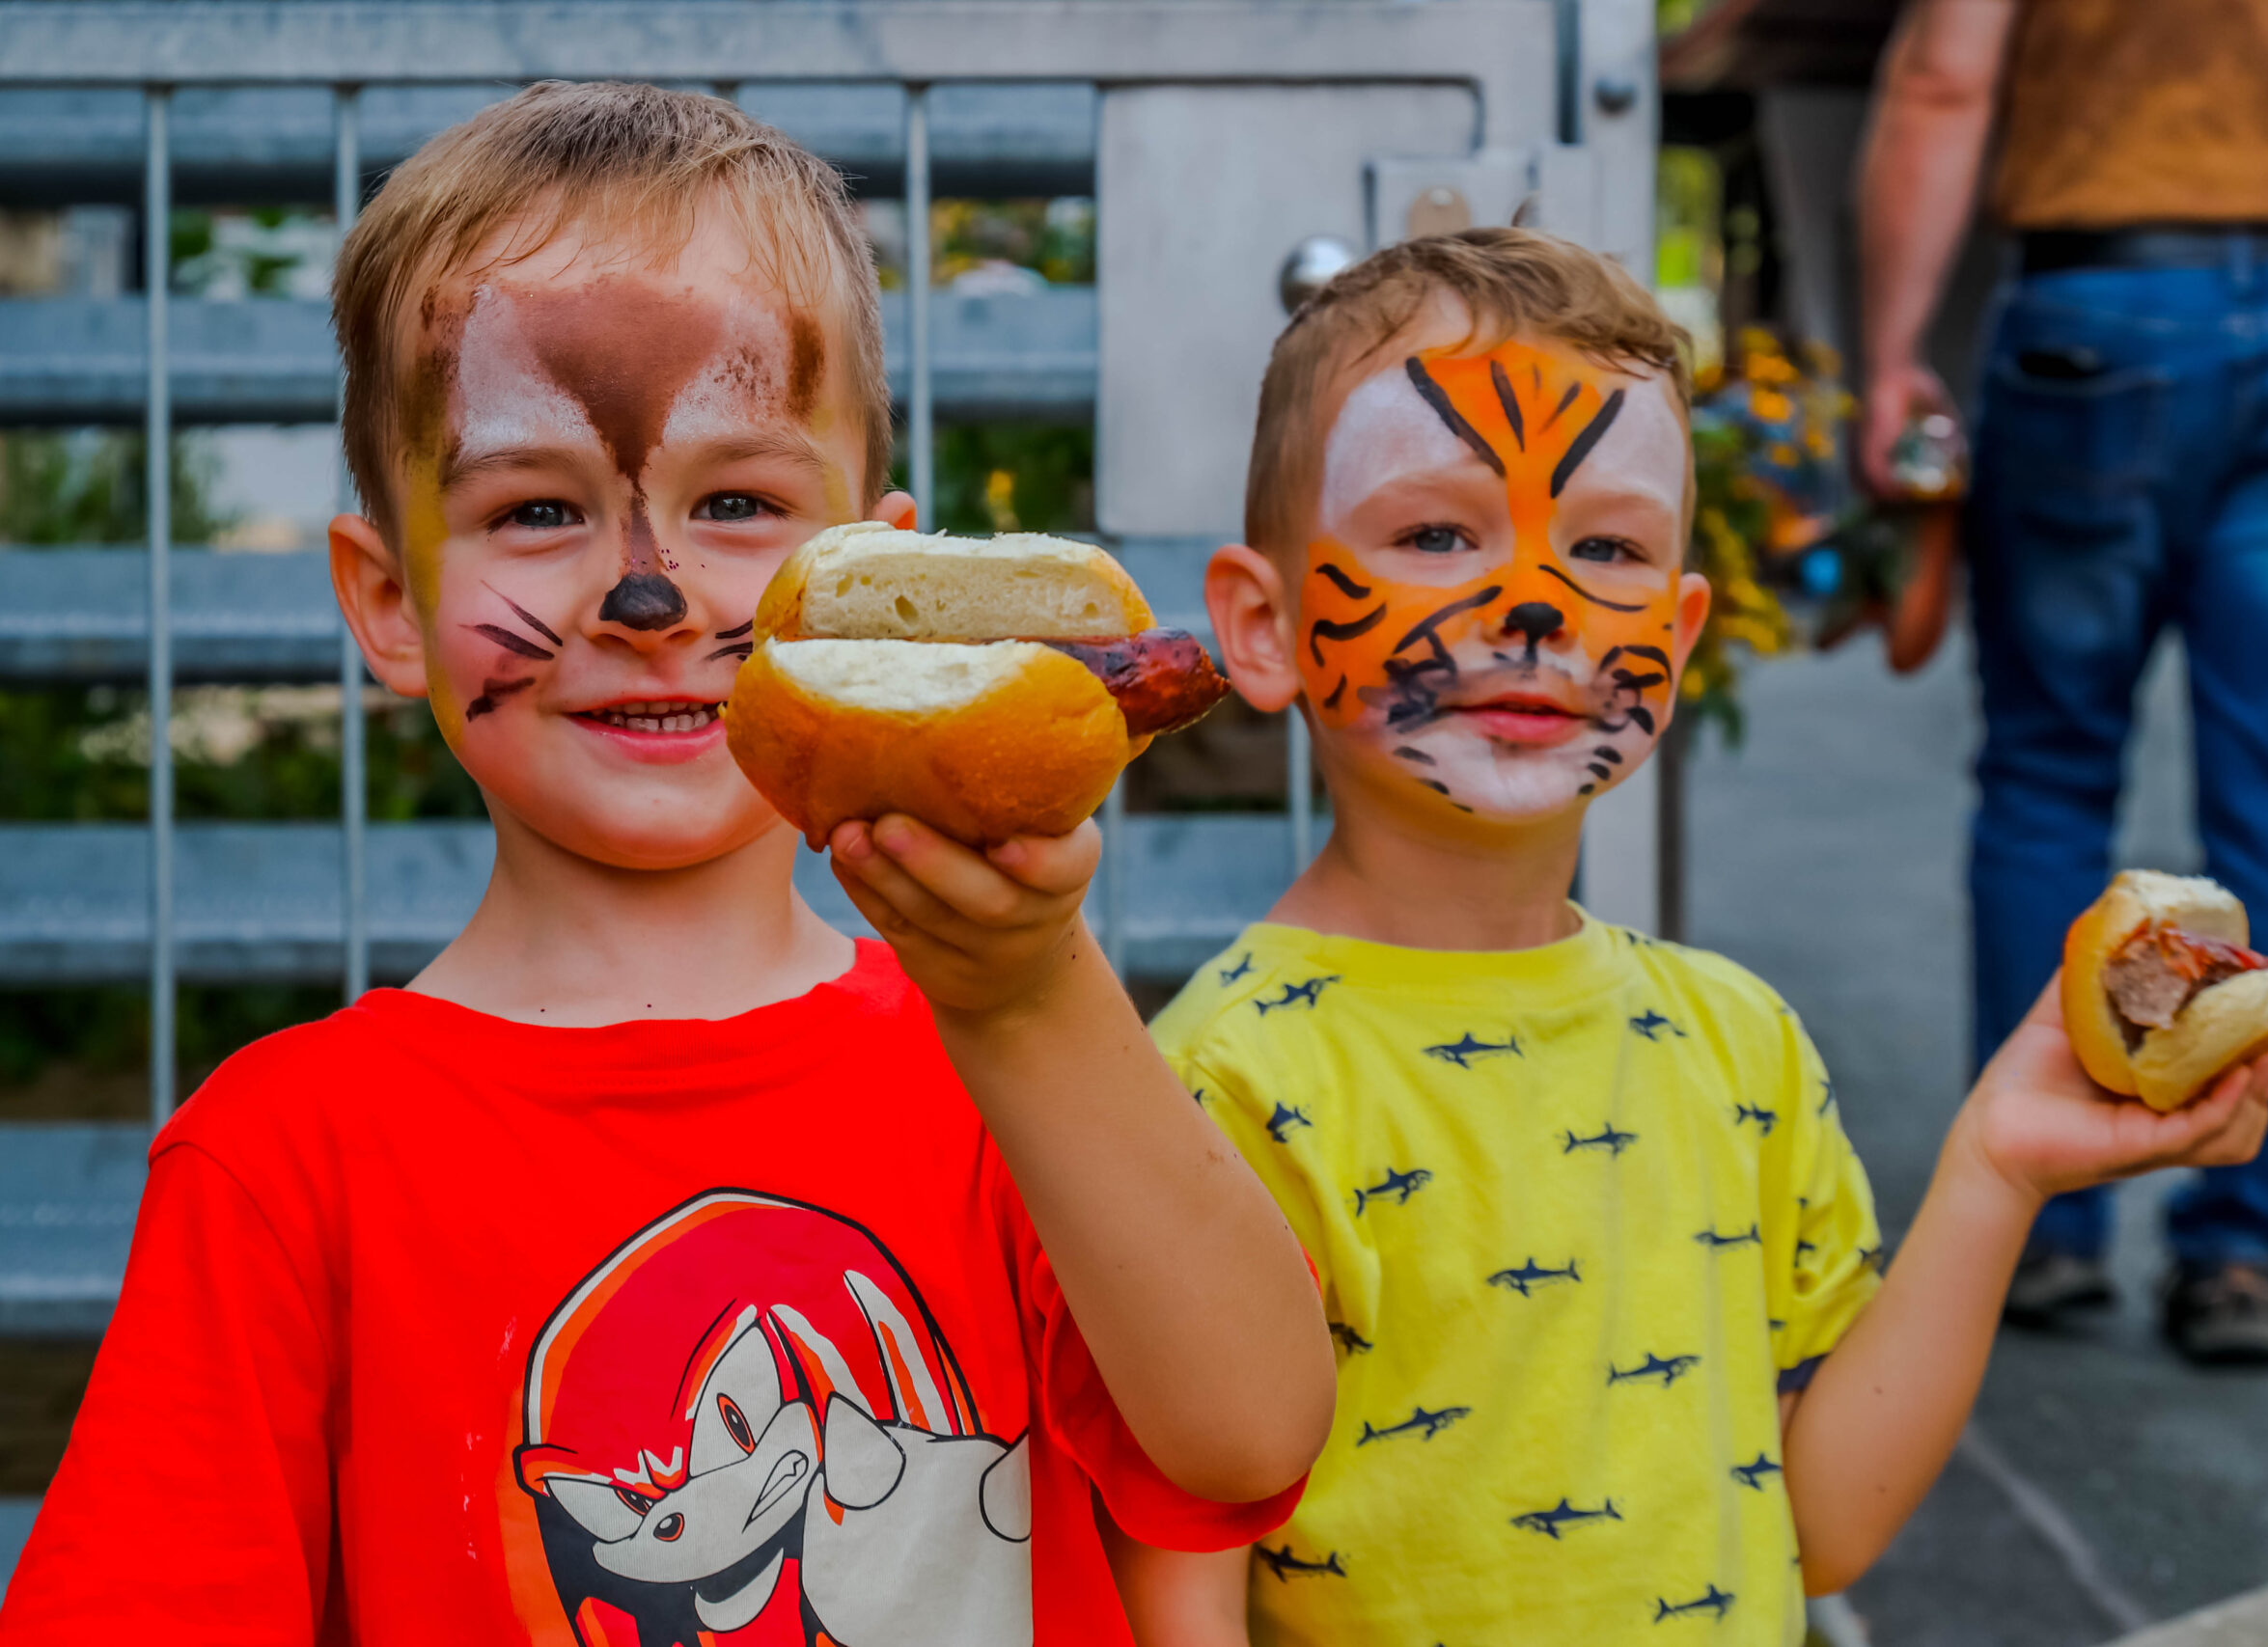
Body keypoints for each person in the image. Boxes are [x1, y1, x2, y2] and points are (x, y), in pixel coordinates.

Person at [0, 82, 1332, 1645]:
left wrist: (1033, 1000)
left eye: (741, 504)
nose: (653, 596)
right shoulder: (284, 1164)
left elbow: (1249, 1434)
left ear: (884, 572)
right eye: (540, 507)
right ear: (387, 597)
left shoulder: (1011, 1070)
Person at [1103, 229, 2268, 1647]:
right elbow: (1178, 1595)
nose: (1534, 605)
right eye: (1437, 534)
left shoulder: (1736, 1042)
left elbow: (1823, 1526)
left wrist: (1998, 1171)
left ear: (1678, 629)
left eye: (1604, 548)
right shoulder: (1214, 1087)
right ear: (1266, 623)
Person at [1857, 0, 2268, 1364]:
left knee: (2047, 777)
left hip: (2095, 316)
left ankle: (2047, 1217)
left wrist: (1886, 360)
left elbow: (1943, 77)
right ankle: (2242, 1254)